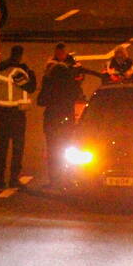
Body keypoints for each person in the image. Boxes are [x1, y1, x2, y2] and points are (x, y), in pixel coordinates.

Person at [36, 44, 89, 188]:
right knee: (66, 149)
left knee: (53, 150)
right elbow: (77, 95)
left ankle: (54, 180)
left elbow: (40, 101)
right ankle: (67, 179)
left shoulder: (49, 83)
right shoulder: (70, 84)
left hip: (51, 118)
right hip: (66, 118)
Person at [0, 45, 36, 190]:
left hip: (2, 113)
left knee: (2, 147)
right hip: (16, 114)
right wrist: (30, 72)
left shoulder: (0, 70)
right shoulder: (17, 72)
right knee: (17, 147)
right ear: (20, 56)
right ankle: (13, 179)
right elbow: (30, 87)